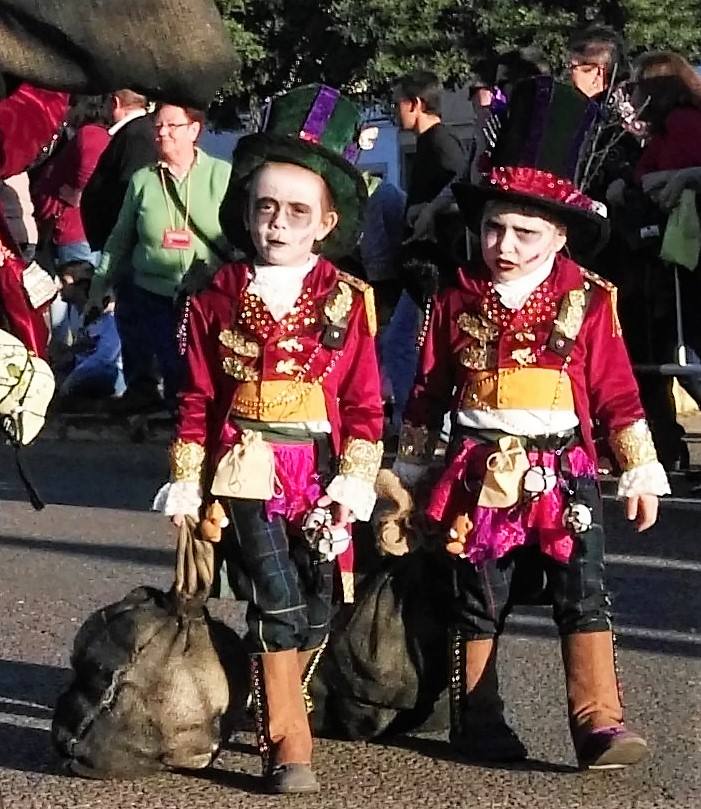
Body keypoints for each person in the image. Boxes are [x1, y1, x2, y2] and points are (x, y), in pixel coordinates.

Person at [394, 76, 669, 770]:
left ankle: (598, 721)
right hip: (475, 472)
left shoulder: (587, 298)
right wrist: (406, 474)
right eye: (493, 228)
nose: (504, 244)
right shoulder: (456, 297)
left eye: (524, 232)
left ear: (558, 233)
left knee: (583, 593)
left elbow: (614, 389)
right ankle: (476, 717)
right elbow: (428, 388)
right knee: (477, 598)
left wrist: (637, 467)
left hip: (563, 473)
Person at [154, 84, 383, 793]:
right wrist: (188, 476)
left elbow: (365, 403)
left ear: (326, 221)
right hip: (245, 465)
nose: (277, 224)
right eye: (265, 207)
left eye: (296, 212)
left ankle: (278, 691)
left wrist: (353, 477)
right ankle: (288, 744)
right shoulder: (216, 292)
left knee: (317, 601)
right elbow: (197, 394)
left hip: (315, 466)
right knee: (276, 599)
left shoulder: (349, 297)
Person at [88, 103, 231, 411]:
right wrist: (99, 286)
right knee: (164, 366)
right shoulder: (143, 180)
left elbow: (237, 237)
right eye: (158, 127)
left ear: (194, 131)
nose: (162, 133)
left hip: (203, 296)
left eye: (172, 126)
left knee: (192, 375)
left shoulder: (221, 175)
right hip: (150, 292)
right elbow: (120, 239)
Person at [33, 94, 111, 267]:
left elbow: (89, 171)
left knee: (76, 289)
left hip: (77, 234)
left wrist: (81, 196)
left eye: (72, 105)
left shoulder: (90, 134)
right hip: (75, 232)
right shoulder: (92, 134)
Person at [81, 90, 158, 252]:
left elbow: (128, 192)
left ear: (115, 102)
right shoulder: (133, 132)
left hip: (118, 246)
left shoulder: (137, 136)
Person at [55, 260, 124, 399]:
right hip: (87, 368)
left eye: (64, 281)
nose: (59, 287)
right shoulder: (78, 311)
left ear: (82, 285)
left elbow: (105, 357)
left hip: (112, 373)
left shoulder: (109, 316)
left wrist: (71, 380)